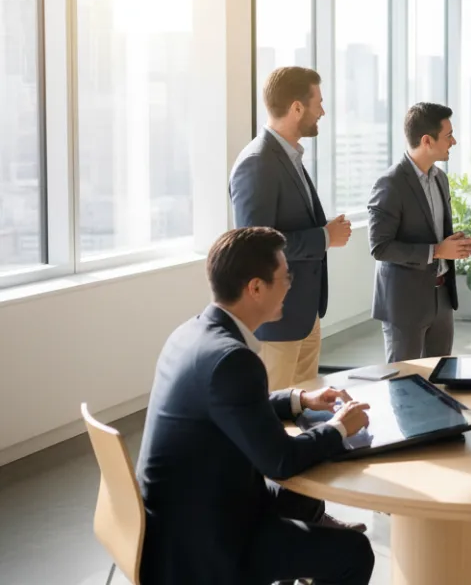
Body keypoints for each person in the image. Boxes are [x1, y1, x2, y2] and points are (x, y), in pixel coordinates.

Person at [136, 227, 374, 585]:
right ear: (256, 288)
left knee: (300, 496)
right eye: (285, 276)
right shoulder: (232, 359)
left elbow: (232, 405)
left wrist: (299, 399)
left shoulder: (193, 333)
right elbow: (280, 460)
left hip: (179, 515)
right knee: (355, 552)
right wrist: (340, 427)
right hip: (207, 543)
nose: (290, 286)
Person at [230, 66, 352, 391]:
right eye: (318, 103)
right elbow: (256, 247)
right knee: (276, 414)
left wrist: (324, 231)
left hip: (304, 311)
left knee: (304, 407)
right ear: (297, 108)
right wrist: (325, 237)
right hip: (277, 317)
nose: (322, 111)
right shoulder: (257, 162)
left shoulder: (289, 157)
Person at [368, 102, 471, 363]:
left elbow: (433, 232)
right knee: (403, 385)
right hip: (404, 304)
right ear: (427, 140)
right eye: (448, 135)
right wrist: (438, 250)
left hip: (441, 299)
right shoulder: (390, 184)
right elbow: (380, 247)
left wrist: (454, 244)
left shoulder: (440, 178)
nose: (454, 141)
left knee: (441, 380)